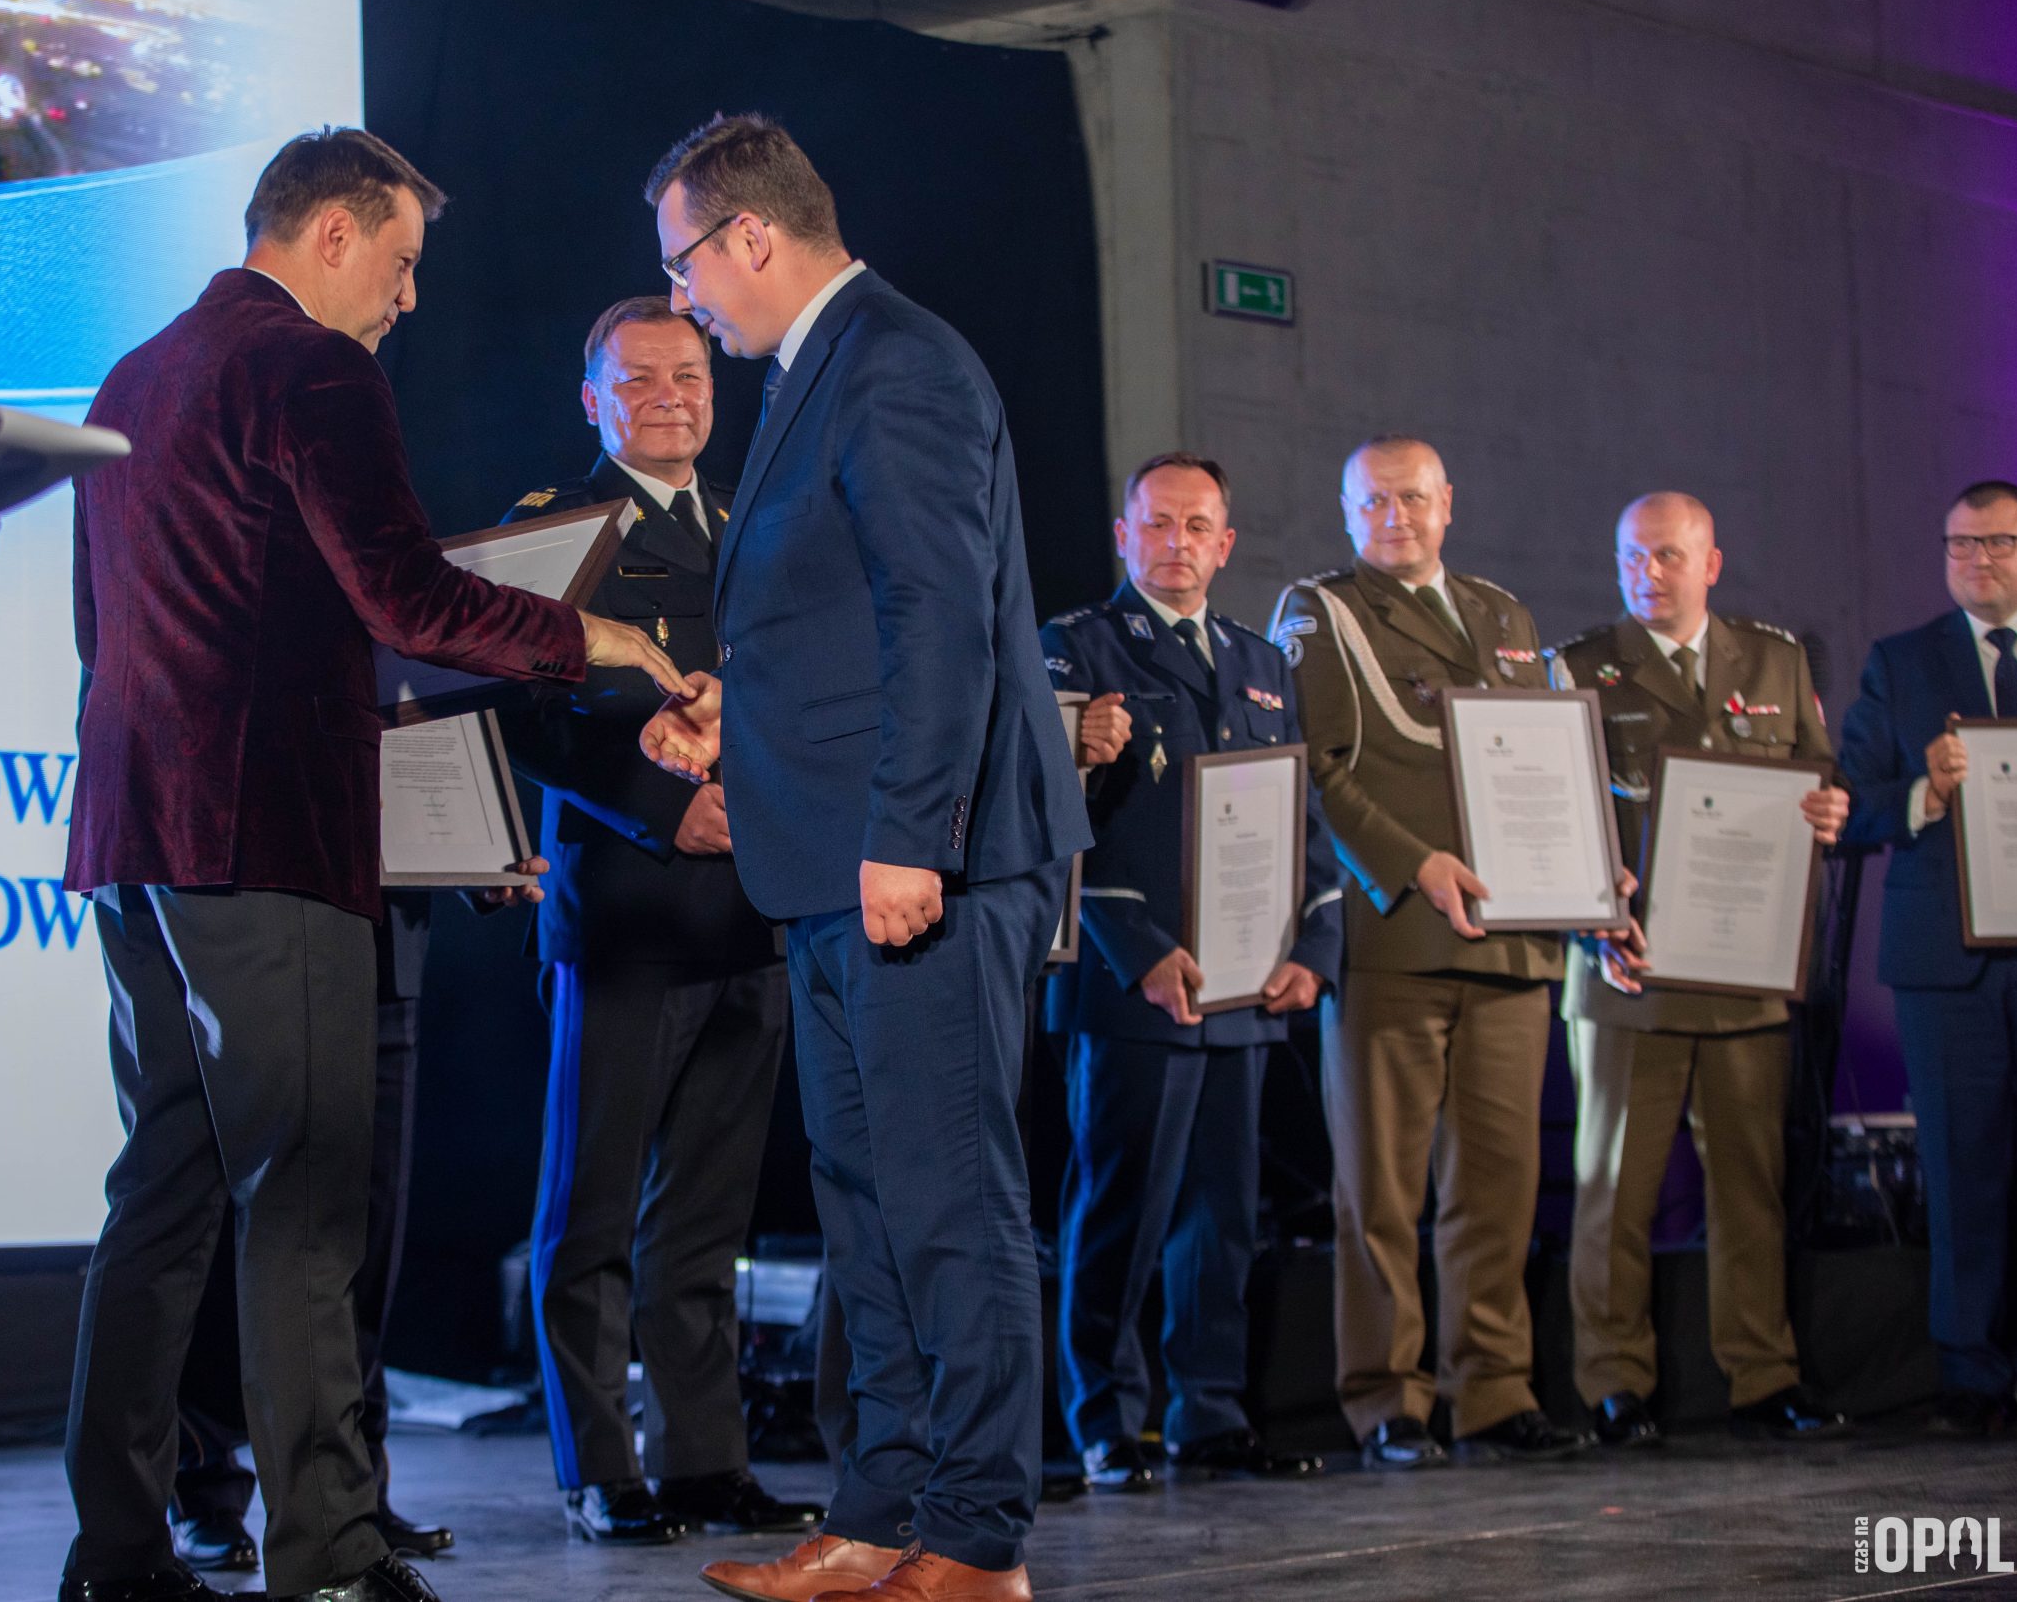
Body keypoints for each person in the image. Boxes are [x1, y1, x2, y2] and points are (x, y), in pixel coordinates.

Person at [61, 127, 689, 1602]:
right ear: (333, 233)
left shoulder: (133, 374)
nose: (408, 300)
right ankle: (332, 1557)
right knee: (303, 1197)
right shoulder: (313, 368)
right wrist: (594, 634)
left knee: (163, 1196)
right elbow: (405, 598)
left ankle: (117, 1550)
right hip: (265, 832)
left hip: (136, 835)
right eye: (401, 264)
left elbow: (104, 626)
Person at [635, 114, 1089, 1602]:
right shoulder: (815, 369)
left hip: (917, 864)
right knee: (868, 1197)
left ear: (750, 235)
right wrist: (738, 715)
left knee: (949, 1198)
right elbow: (833, 620)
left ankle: (976, 1538)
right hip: (833, 861)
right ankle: (880, 1514)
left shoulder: (896, 360)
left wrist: (909, 835)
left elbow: (940, 615)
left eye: (685, 263)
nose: (684, 297)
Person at [496, 297, 820, 1546]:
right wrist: (658, 809)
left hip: (751, 904)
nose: (671, 397)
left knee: (705, 1216)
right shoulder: (557, 529)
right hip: (628, 911)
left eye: (689, 374)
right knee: (590, 1211)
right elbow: (523, 713)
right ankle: (599, 1468)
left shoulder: (755, 521)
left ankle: (702, 1460)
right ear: (592, 400)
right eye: (639, 380)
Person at [1268, 436, 1602, 1470]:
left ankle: (1492, 1390)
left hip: (1512, 936)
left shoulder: (1505, 615)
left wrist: (1591, 872)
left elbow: (1544, 766)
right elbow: (1315, 766)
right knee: (1382, 1189)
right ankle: (1387, 1398)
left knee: (1499, 1182)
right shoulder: (1320, 611)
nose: (1394, 517)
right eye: (1373, 501)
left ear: (1447, 502)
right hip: (1394, 935)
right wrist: (1414, 865)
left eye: (1412, 498)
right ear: (1345, 510)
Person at [1040, 452, 1338, 1492]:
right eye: (1157, 524)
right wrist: (1138, 950)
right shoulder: (1075, 648)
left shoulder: (1261, 662)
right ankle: (1103, 1419)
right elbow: (1048, 824)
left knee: (1224, 1215)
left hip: (1242, 986)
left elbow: (1300, 818)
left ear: (1226, 543)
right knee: (1122, 1208)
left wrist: (1313, 950)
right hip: (1134, 983)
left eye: (1196, 526)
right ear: (1125, 535)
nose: (1177, 543)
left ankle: (1208, 1412)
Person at [1551, 492, 1850, 1447]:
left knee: (1750, 1187)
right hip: (1625, 968)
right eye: (1632, 556)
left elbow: (1819, 777)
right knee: (1613, 1191)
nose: (1648, 573)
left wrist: (1831, 810)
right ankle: (1613, 1381)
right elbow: (1548, 812)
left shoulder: (1775, 659)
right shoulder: (1579, 666)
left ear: (1711, 563)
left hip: (1742, 969)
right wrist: (1594, 912)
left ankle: (1763, 1375)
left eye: (1669, 555)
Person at [1837, 481, 2017, 1438]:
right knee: (1960, 1169)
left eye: (1996, 543)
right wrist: (1923, 793)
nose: (1976, 560)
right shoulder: (1901, 663)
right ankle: (1971, 1372)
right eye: (1959, 545)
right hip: (1946, 965)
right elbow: (1849, 804)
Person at [166, 893, 455, 1575]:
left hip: (387, 936)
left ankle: (356, 1491)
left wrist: (476, 861)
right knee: (253, 1209)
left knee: (366, 1229)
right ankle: (205, 1484)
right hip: (277, 915)